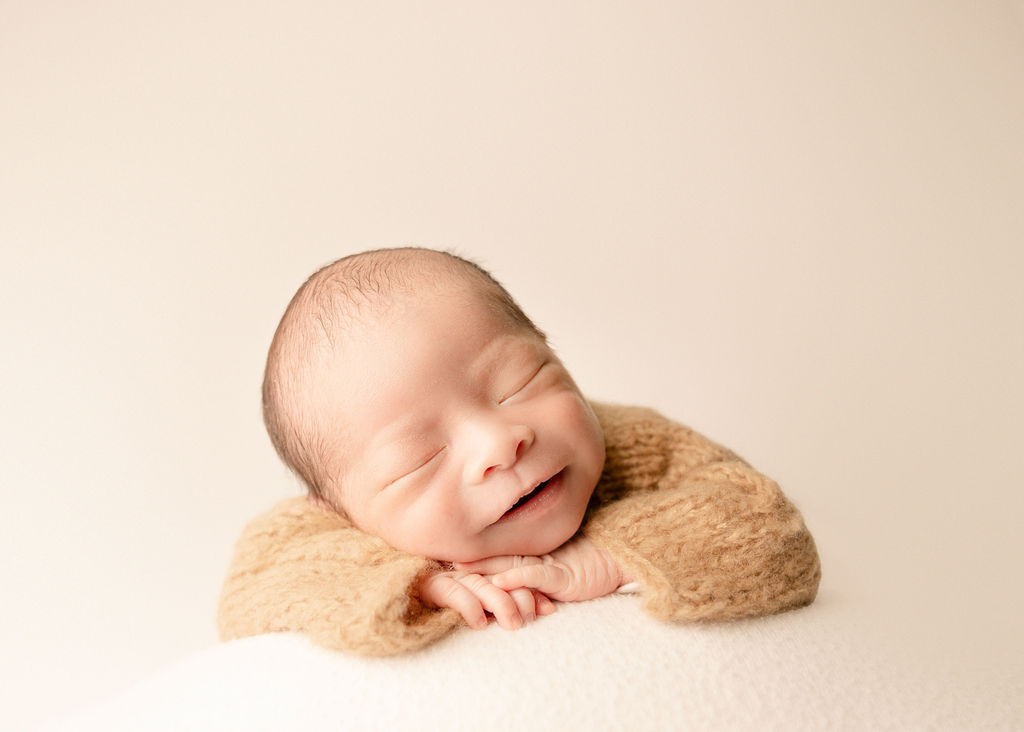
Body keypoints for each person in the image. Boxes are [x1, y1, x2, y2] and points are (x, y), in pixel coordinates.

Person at [218, 247, 820, 655]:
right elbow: (249, 594)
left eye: (517, 385)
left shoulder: (635, 443)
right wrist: (413, 581)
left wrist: (608, 557)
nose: (500, 443)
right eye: (419, 459)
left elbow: (771, 530)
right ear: (340, 510)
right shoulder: (325, 534)